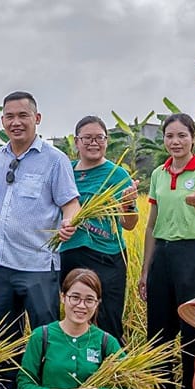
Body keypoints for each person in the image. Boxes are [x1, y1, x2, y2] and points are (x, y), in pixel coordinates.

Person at [0, 93, 81, 355]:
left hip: (37, 266)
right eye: (10, 116)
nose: (16, 122)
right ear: (2, 121)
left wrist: (69, 222)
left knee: (44, 337)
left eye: (23, 115)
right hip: (0, 265)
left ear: (37, 119)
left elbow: (70, 204)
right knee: (2, 339)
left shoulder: (55, 159)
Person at [138, 113, 195, 389]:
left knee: (194, 330)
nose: (175, 142)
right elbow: (150, 225)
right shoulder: (159, 174)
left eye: (182, 136)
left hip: (194, 256)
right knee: (158, 330)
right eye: (170, 136)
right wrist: (145, 270)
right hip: (162, 254)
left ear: (193, 139)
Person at [63, 116, 137, 343]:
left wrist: (128, 204)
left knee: (108, 317)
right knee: (74, 314)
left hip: (108, 256)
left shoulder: (118, 175)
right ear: (76, 142)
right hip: (70, 253)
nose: (93, 143)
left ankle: (110, 369)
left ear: (106, 141)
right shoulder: (65, 172)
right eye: (87, 138)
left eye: (99, 138)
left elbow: (130, 224)